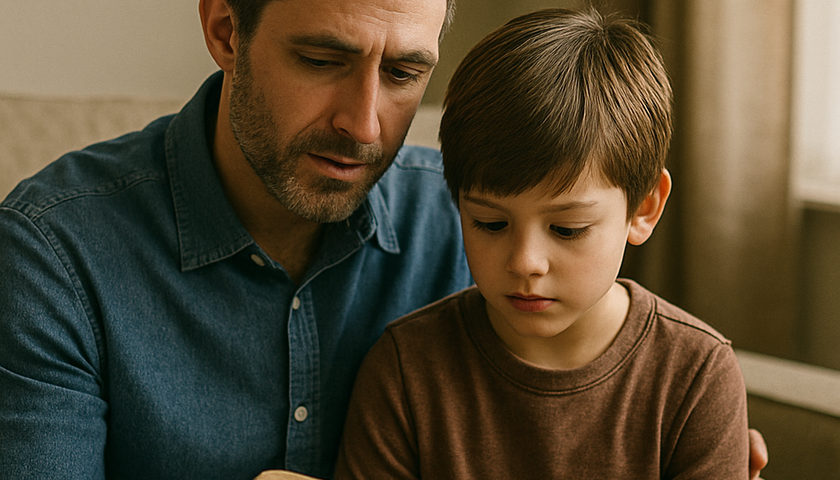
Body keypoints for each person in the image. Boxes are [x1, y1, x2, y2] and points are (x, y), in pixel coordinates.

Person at [0, 1, 767, 479]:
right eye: (323, 60)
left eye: (404, 73)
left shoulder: (470, 212)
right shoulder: (53, 255)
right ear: (226, 31)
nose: (365, 125)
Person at [335, 8, 752, 479]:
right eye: (491, 223)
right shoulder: (406, 370)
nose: (525, 262)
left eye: (567, 229)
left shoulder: (696, 376)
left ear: (644, 209)